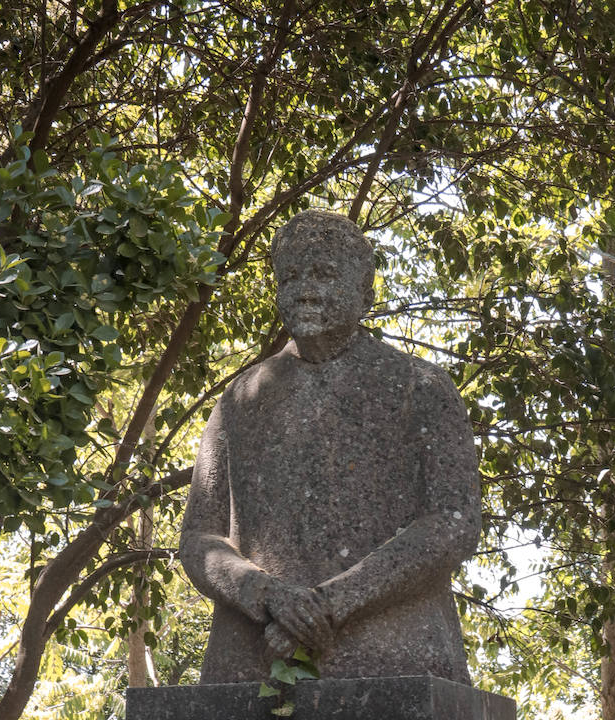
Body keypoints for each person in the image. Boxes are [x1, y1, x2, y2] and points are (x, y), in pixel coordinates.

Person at [179, 210, 481, 683]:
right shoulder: (239, 402)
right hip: (250, 662)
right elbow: (200, 539)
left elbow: (453, 524)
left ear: (366, 290)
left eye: (323, 274)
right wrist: (268, 596)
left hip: (394, 660)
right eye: (290, 276)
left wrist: (329, 605)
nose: (304, 289)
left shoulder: (418, 387)